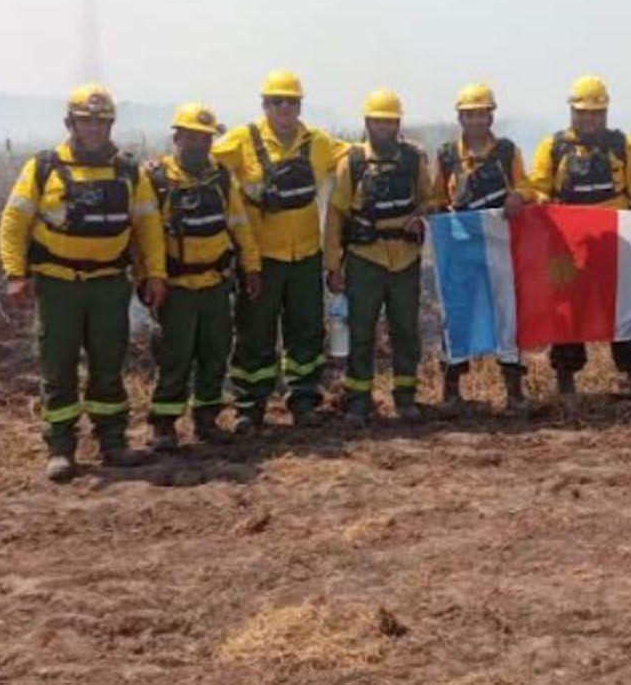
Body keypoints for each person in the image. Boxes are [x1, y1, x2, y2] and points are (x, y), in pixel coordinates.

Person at [0, 82, 166, 482]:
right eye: (85, 122)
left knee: (109, 364)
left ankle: (113, 442)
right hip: (59, 287)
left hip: (109, 286)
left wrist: (153, 274)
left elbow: (148, 227)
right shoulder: (43, 169)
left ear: (111, 126)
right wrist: (15, 273)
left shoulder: (128, 172)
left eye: (101, 123)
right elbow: (14, 222)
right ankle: (60, 447)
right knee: (58, 367)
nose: (93, 130)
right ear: (69, 122)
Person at [212, 69, 347, 433]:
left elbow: (355, 157)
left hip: (305, 255)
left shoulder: (317, 142)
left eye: (291, 101)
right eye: (276, 101)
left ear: (300, 105)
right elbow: (199, 163)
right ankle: (249, 405)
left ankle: (303, 399)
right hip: (261, 257)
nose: (284, 108)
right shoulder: (242, 140)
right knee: (255, 331)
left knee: (305, 329)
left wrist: (405, 145)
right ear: (264, 104)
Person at [141, 103, 262, 451]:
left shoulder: (221, 178)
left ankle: (206, 419)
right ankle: (163, 424)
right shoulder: (156, 179)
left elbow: (239, 225)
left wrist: (251, 267)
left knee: (215, 352)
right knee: (175, 356)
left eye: (205, 139)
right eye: (192, 137)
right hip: (176, 289)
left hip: (215, 284)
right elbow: (146, 235)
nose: (199, 145)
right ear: (176, 136)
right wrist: (152, 278)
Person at [526, 75, 631, 397]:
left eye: (596, 113)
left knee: (622, 308)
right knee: (567, 311)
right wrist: (541, 202)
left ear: (606, 113)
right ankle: (565, 381)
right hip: (566, 245)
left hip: (614, 242)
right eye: (583, 112)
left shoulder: (624, 145)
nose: (590, 119)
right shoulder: (552, 147)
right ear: (572, 111)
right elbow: (538, 188)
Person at [324, 89, 430, 426]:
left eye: (390, 122)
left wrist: (420, 216)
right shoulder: (352, 163)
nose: (384, 128)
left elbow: (428, 200)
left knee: (405, 330)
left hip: (404, 258)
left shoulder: (414, 159)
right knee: (361, 331)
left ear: (398, 124)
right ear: (367, 123)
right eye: (378, 122)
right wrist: (332, 266)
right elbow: (336, 216)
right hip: (364, 258)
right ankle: (357, 401)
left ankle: (406, 397)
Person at [430, 82, 532, 417]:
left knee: (507, 313)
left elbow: (527, 186)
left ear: (491, 115)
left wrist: (521, 196)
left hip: (500, 246)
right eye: (469, 114)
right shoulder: (446, 155)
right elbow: (436, 199)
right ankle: (450, 394)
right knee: (457, 313)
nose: (476, 120)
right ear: (460, 117)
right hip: (460, 248)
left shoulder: (506, 151)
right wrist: (429, 211)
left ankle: (515, 394)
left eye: (482, 114)